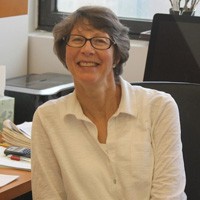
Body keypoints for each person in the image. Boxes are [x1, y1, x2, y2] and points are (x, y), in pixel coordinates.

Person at [31, 6, 187, 200]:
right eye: (77, 40)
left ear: (117, 55)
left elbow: (168, 196)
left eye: (99, 41)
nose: (87, 49)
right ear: (65, 54)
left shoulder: (159, 108)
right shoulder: (47, 119)